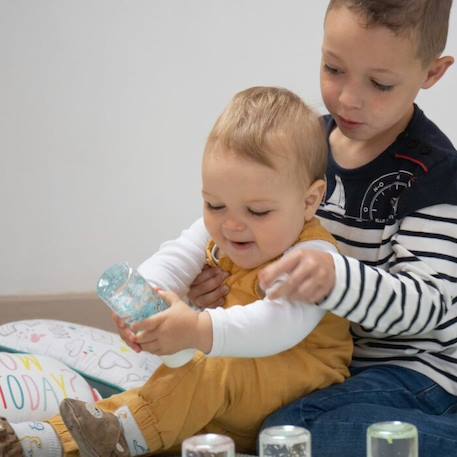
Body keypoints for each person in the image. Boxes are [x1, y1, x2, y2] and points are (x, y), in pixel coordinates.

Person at [0, 87, 352, 457]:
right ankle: (35, 441)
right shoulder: (221, 230)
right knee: (167, 401)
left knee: (206, 372)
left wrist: (198, 329)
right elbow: (176, 256)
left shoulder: (314, 257)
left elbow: (276, 325)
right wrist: (145, 298)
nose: (231, 225)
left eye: (258, 212)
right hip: (227, 386)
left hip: (297, 389)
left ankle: (115, 436)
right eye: (214, 205)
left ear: (309, 201)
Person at [182, 1, 457, 456]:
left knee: (296, 430)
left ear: (432, 73)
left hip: (416, 373)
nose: (349, 97)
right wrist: (216, 282)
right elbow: (257, 235)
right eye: (333, 68)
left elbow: (429, 305)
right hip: (322, 360)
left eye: (380, 83)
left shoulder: (434, 174)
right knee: (211, 407)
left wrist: (337, 279)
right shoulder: (302, 146)